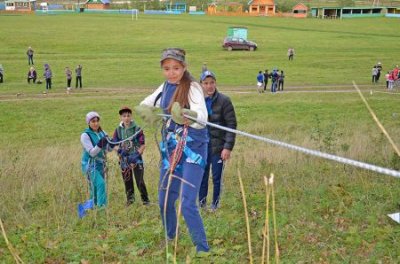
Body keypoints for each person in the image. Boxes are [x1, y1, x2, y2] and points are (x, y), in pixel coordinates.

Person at [137, 48, 210, 254]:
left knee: (187, 203)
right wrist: (149, 111)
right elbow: (146, 103)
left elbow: (202, 117)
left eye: (176, 68)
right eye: (167, 68)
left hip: (193, 151)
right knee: (165, 200)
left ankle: (202, 249)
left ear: (184, 67)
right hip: (171, 152)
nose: (171, 73)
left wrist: (190, 115)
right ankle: (171, 237)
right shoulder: (164, 87)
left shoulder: (193, 87)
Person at [198, 70, 237, 211]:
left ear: (215, 83)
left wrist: (228, 147)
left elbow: (231, 125)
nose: (209, 86)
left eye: (212, 82)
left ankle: (215, 205)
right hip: (201, 146)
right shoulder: (197, 102)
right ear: (201, 84)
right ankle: (201, 205)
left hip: (218, 147)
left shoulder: (224, 101)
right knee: (202, 177)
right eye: (206, 83)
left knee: (216, 178)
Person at [112, 106, 150, 206]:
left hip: (136, 159)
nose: (126, 118)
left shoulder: (137, 129)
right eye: (124, 116)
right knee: (127, 181)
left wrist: (137, 155)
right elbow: (114, 144)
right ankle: (130, 201)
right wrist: (119, 150)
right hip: (124, 160)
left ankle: (146, 201)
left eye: (128, 115)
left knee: (140, 181)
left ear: (131, 116)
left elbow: (143, 144)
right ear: (121, 117)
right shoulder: (118, 130)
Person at [80, 111, 112, 208]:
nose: (96, 123)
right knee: (101, 184)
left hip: (101, 164)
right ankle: (101, 209)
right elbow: (92, 152)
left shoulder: (103, 133)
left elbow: (108, 149)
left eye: (97, 121)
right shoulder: (85, 135)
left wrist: (112, 144)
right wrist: (100, 144)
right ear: (88, 123)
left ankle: (89, 208)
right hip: (89, 164)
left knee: (94, 188)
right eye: (93, 121)